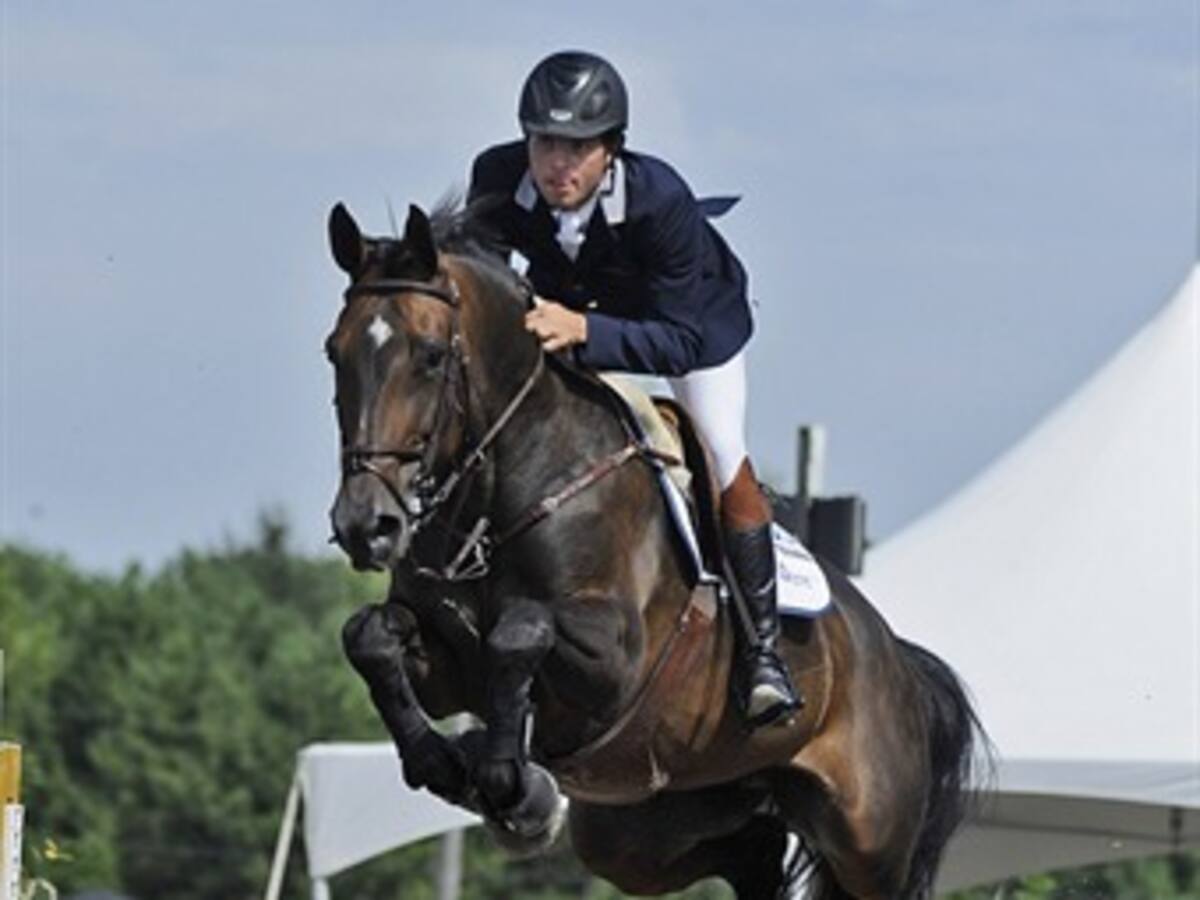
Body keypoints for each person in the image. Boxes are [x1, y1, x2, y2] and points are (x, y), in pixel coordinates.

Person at [467, 50, 801, 728]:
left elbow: (674, 339)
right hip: (570, 308)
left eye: (577, 148)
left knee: (718, 449)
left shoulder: (661, 200)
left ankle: (764, 653)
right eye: (543, 143)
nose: (557, 163)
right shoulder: (497, 176)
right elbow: (484, 286)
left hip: (689, 325)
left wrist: (585, 331)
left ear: (611, 151)